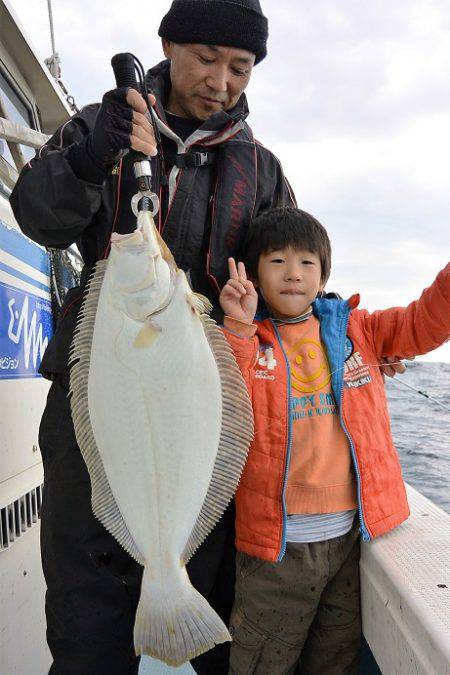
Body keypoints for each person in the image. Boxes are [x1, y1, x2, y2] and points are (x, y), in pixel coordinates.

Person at [10, 2, 297, 673]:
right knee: (87, 625)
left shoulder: (262, 171)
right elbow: (36, 215)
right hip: (103, 404)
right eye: (205, 57)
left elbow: (291, 281)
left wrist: (335, 334)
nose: (221, 80)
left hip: (204, 415)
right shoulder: (104, 127)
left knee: (226, 616)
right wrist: (85, 158)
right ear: (167, 44)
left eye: (240, 67)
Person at [219, 206, 450, 675]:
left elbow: (423, 322)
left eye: (306, 262)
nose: (293, 274)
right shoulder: (246, 339)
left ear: (324, 274)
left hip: (348, 542)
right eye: (277, 261)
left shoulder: (359, 330)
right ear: (255, 273)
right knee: (261, 662)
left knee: (334, 661)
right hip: (273, 554)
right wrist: (239, 327)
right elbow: (226, 398)